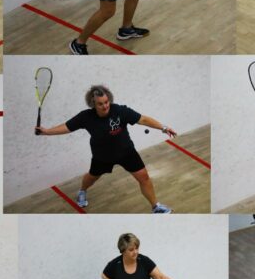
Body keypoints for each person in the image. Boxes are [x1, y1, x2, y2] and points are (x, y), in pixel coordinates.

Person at [35, 84, 176, 213]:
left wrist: (163, 128)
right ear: (93, 104)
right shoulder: (86, 117)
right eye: (100, 104)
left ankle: (155, 207)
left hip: (126, 152)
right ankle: (82, 191)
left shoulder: (120, 111)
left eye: (107, 102)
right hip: (102, 156)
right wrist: (46, 131)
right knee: (92, 177)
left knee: (144, 177)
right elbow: (67, 127)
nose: (105, 106)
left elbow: (143, 119)